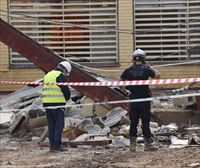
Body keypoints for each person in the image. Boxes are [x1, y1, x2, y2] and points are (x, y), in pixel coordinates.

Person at [120, 49, 160, 151]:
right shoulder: (147, 70)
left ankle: (132, 146)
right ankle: (147, 145)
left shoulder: (128, 70)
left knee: (133, 122)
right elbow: (157, 76)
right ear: (144, 59)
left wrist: (126, 92)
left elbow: (121, 83)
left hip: (133, 99)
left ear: (133, 58)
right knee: (145, 121)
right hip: (145, 99)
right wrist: (150, 66)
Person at [42, 61, 72, 151]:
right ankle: (57, 146)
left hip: (47, 103)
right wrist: (67, 99)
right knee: (59, 125)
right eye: (66, 72)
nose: (66, 74)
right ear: (65, 70)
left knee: (51, 125)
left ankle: (52, 146)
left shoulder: (47, 75)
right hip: (57, 104)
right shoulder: (60, 75)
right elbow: (65, 90)